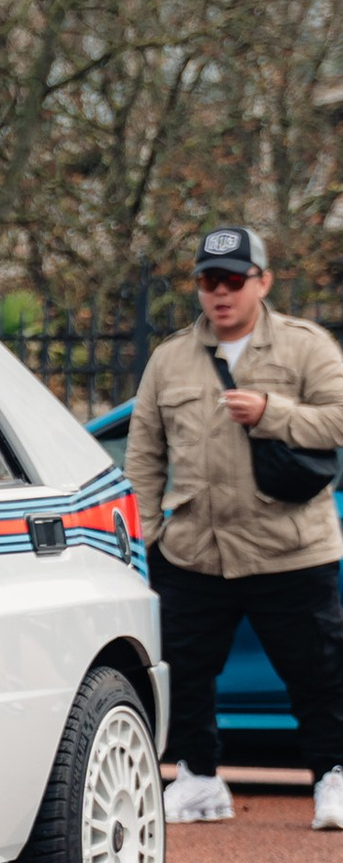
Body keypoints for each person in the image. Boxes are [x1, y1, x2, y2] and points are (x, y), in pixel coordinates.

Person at [125, 224, 343, 830]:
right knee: (183, 673)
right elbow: (143, 454)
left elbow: (339, 419)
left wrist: (273, 412)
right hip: (195, 548)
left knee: (319, 673)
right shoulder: (170, 357)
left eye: (232, 280)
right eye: (207, 281)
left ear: (262, 282)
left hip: (290, 547)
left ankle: (332, 776)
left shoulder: (306, 347)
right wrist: (146, 535)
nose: (219, 293)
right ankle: (198, 779)